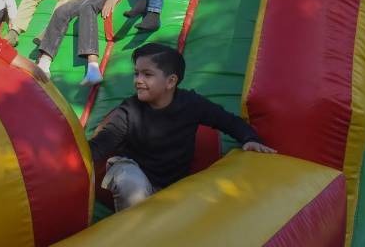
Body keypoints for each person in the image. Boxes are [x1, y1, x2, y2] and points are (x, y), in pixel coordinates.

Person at [89, 43, 275, 211]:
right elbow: (103, 142)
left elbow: (227, 121)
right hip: (131, 169)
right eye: (136, 73)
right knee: (130, 182)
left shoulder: (190, 104)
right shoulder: (130, 110)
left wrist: (250, 138)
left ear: (171, 81)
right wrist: (77, 161)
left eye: (147, 74)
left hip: (170, 186)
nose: (138, 80)